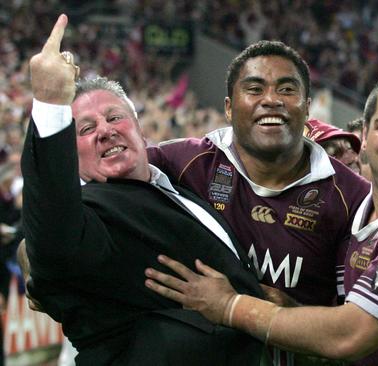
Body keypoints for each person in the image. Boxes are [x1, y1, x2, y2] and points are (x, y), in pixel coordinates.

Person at [144, 63, 378, 365]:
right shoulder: (361, 214)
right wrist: (292, 309)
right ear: (365, 136)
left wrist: (229, 306)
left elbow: (350, 335)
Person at [23, 15, 268, 365]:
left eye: (114, 117)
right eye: (85, 128)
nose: (104, 131)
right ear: (69, 155)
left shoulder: (179, 179)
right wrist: (49, 103)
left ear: (139, 129)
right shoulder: (93, 212)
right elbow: (54, 238)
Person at [146, 40, 370, 311]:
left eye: (287, 90)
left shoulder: (353, 197)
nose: (272, 100)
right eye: (254, 89)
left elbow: (354, 328)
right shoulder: (186, 162)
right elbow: (111, 172)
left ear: (308, 107)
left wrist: (274, 312)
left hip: (298, 352)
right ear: (228, 107)